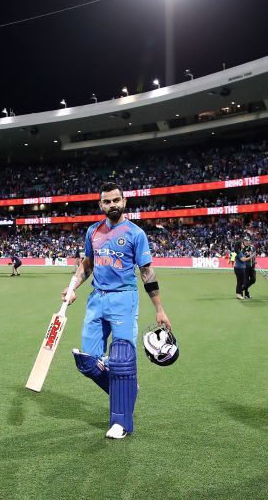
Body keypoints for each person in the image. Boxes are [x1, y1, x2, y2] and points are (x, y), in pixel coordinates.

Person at [62, 182, 171, 440]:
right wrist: (71, 287)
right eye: (107, 202)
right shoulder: (93, 232)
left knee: (121, 358)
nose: (112, 205)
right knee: (88, 360)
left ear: (124, 202)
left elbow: (147, 273)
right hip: (96, 299)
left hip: (124, 298)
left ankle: (121, 423)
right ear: (101, 205)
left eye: (116, 200)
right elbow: (87, 265)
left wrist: (160, 310)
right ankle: (127, 387)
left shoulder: (135, 233)